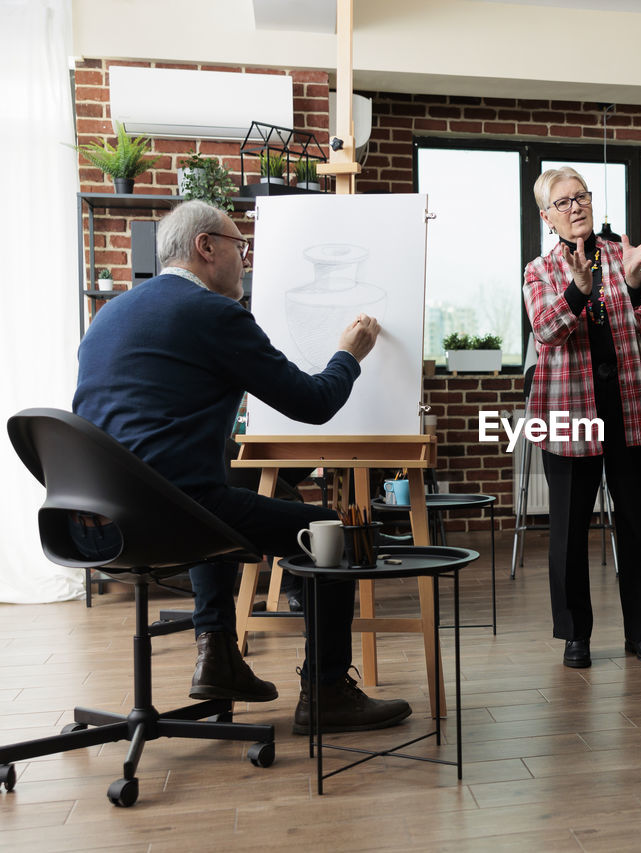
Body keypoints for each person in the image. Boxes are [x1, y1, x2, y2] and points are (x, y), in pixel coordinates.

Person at [73, 199, 412, 735]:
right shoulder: (213, 313)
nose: (246, 261)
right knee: (330, 533)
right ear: (206, 247)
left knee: (220, 488)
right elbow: (313, 402)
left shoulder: (110, 314)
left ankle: (218, 656)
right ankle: (327, 694)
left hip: (92, 525)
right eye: (240, 247)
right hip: (168, 519)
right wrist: (349, 353)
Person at [523, 166, 641, 669]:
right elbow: (547, 330)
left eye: (581, 197)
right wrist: (577, 289)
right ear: (547, 216)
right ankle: (576, 635)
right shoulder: (539, 271)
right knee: (568, 531)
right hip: (570, 414)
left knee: (638, 525)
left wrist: (634, 280)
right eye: (563, 203)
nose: (575, 208)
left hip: (631, 408)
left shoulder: (622, 253)